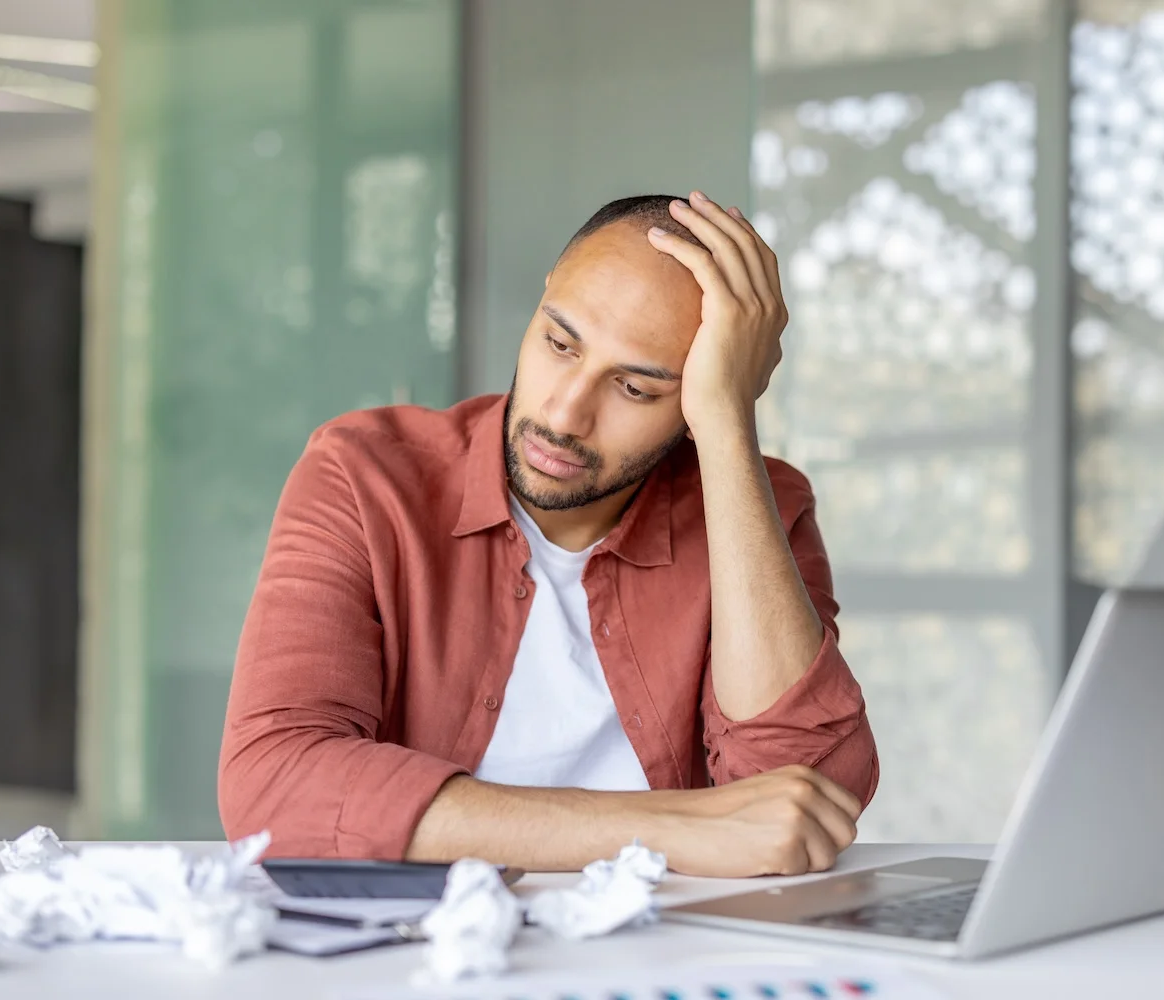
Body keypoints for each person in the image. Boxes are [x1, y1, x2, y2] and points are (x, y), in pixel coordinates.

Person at [218, 192, 878, 877]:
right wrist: (664, 830)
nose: (564, 414)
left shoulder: (756, 506)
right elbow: (274, 785)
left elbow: (803, 801)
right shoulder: (364, 476)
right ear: (541, 302)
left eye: (636, 390)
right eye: (559, 344)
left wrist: (725, 422)